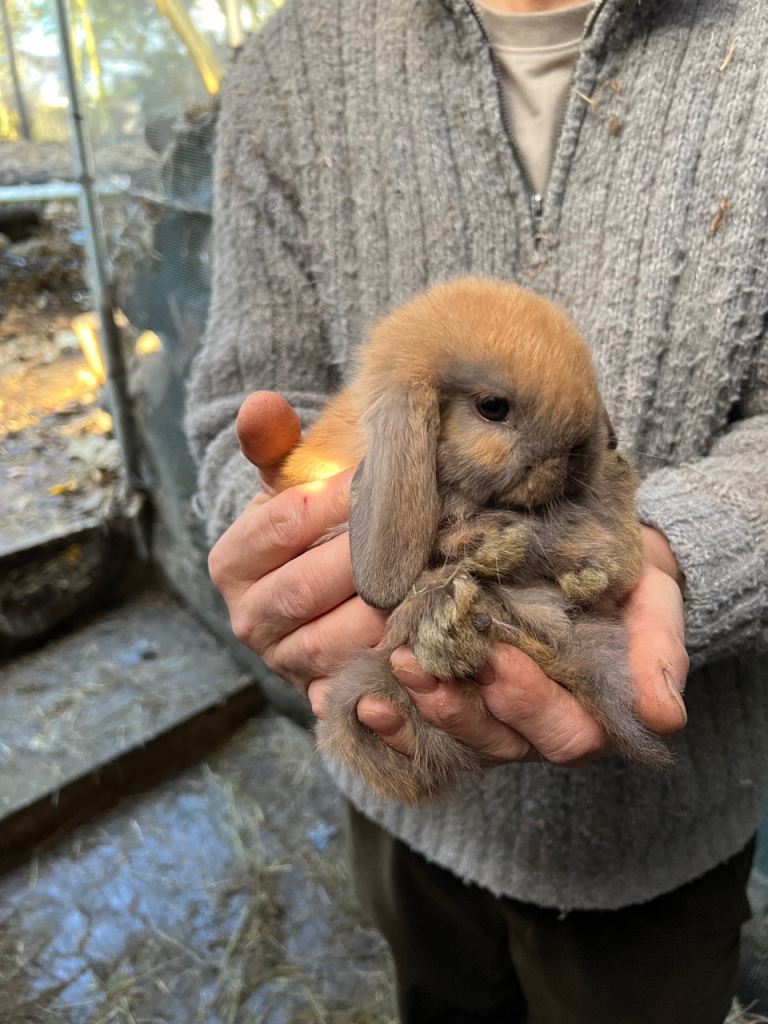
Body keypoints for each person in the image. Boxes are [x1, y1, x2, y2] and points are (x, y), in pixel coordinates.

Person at [186, 0, 768, 1020]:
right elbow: (247, 402)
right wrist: (298, 547)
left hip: (666, 842)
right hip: (399, 791)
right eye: (495, 411)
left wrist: (678, 545)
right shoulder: (290, 65)